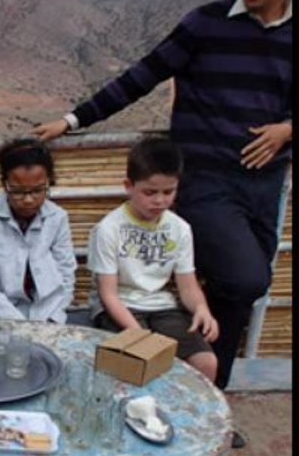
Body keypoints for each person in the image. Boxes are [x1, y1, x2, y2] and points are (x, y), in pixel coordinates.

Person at [34, 0, 292, 446]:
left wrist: (287, 130)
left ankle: (212, 405)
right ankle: (194, 398)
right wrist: (74, 119)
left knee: (237, 295)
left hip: (265, 185)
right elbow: (141, 75)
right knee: (246, 278)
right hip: (205, 182)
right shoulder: (206, 24)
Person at [88, 137, 219, 382]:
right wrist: (139, 337)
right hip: (121, 308)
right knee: (134, 363)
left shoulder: (179, 228)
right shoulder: (108, 229)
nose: (159, 200)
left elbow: (188, 286)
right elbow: (109, 295)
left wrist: (202, 309)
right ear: (129, 186)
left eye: (168, 192)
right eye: (150, 192)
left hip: (163, 307)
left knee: (206, 363)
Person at [0, 138, 77, 323]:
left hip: (43, 314)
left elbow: (66, 274)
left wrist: (51, 316)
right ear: (5, 184)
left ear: (49, 182)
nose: (28, 200)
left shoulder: (58, 217)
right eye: (18, 191)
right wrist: (19, 324)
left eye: (38, 190)